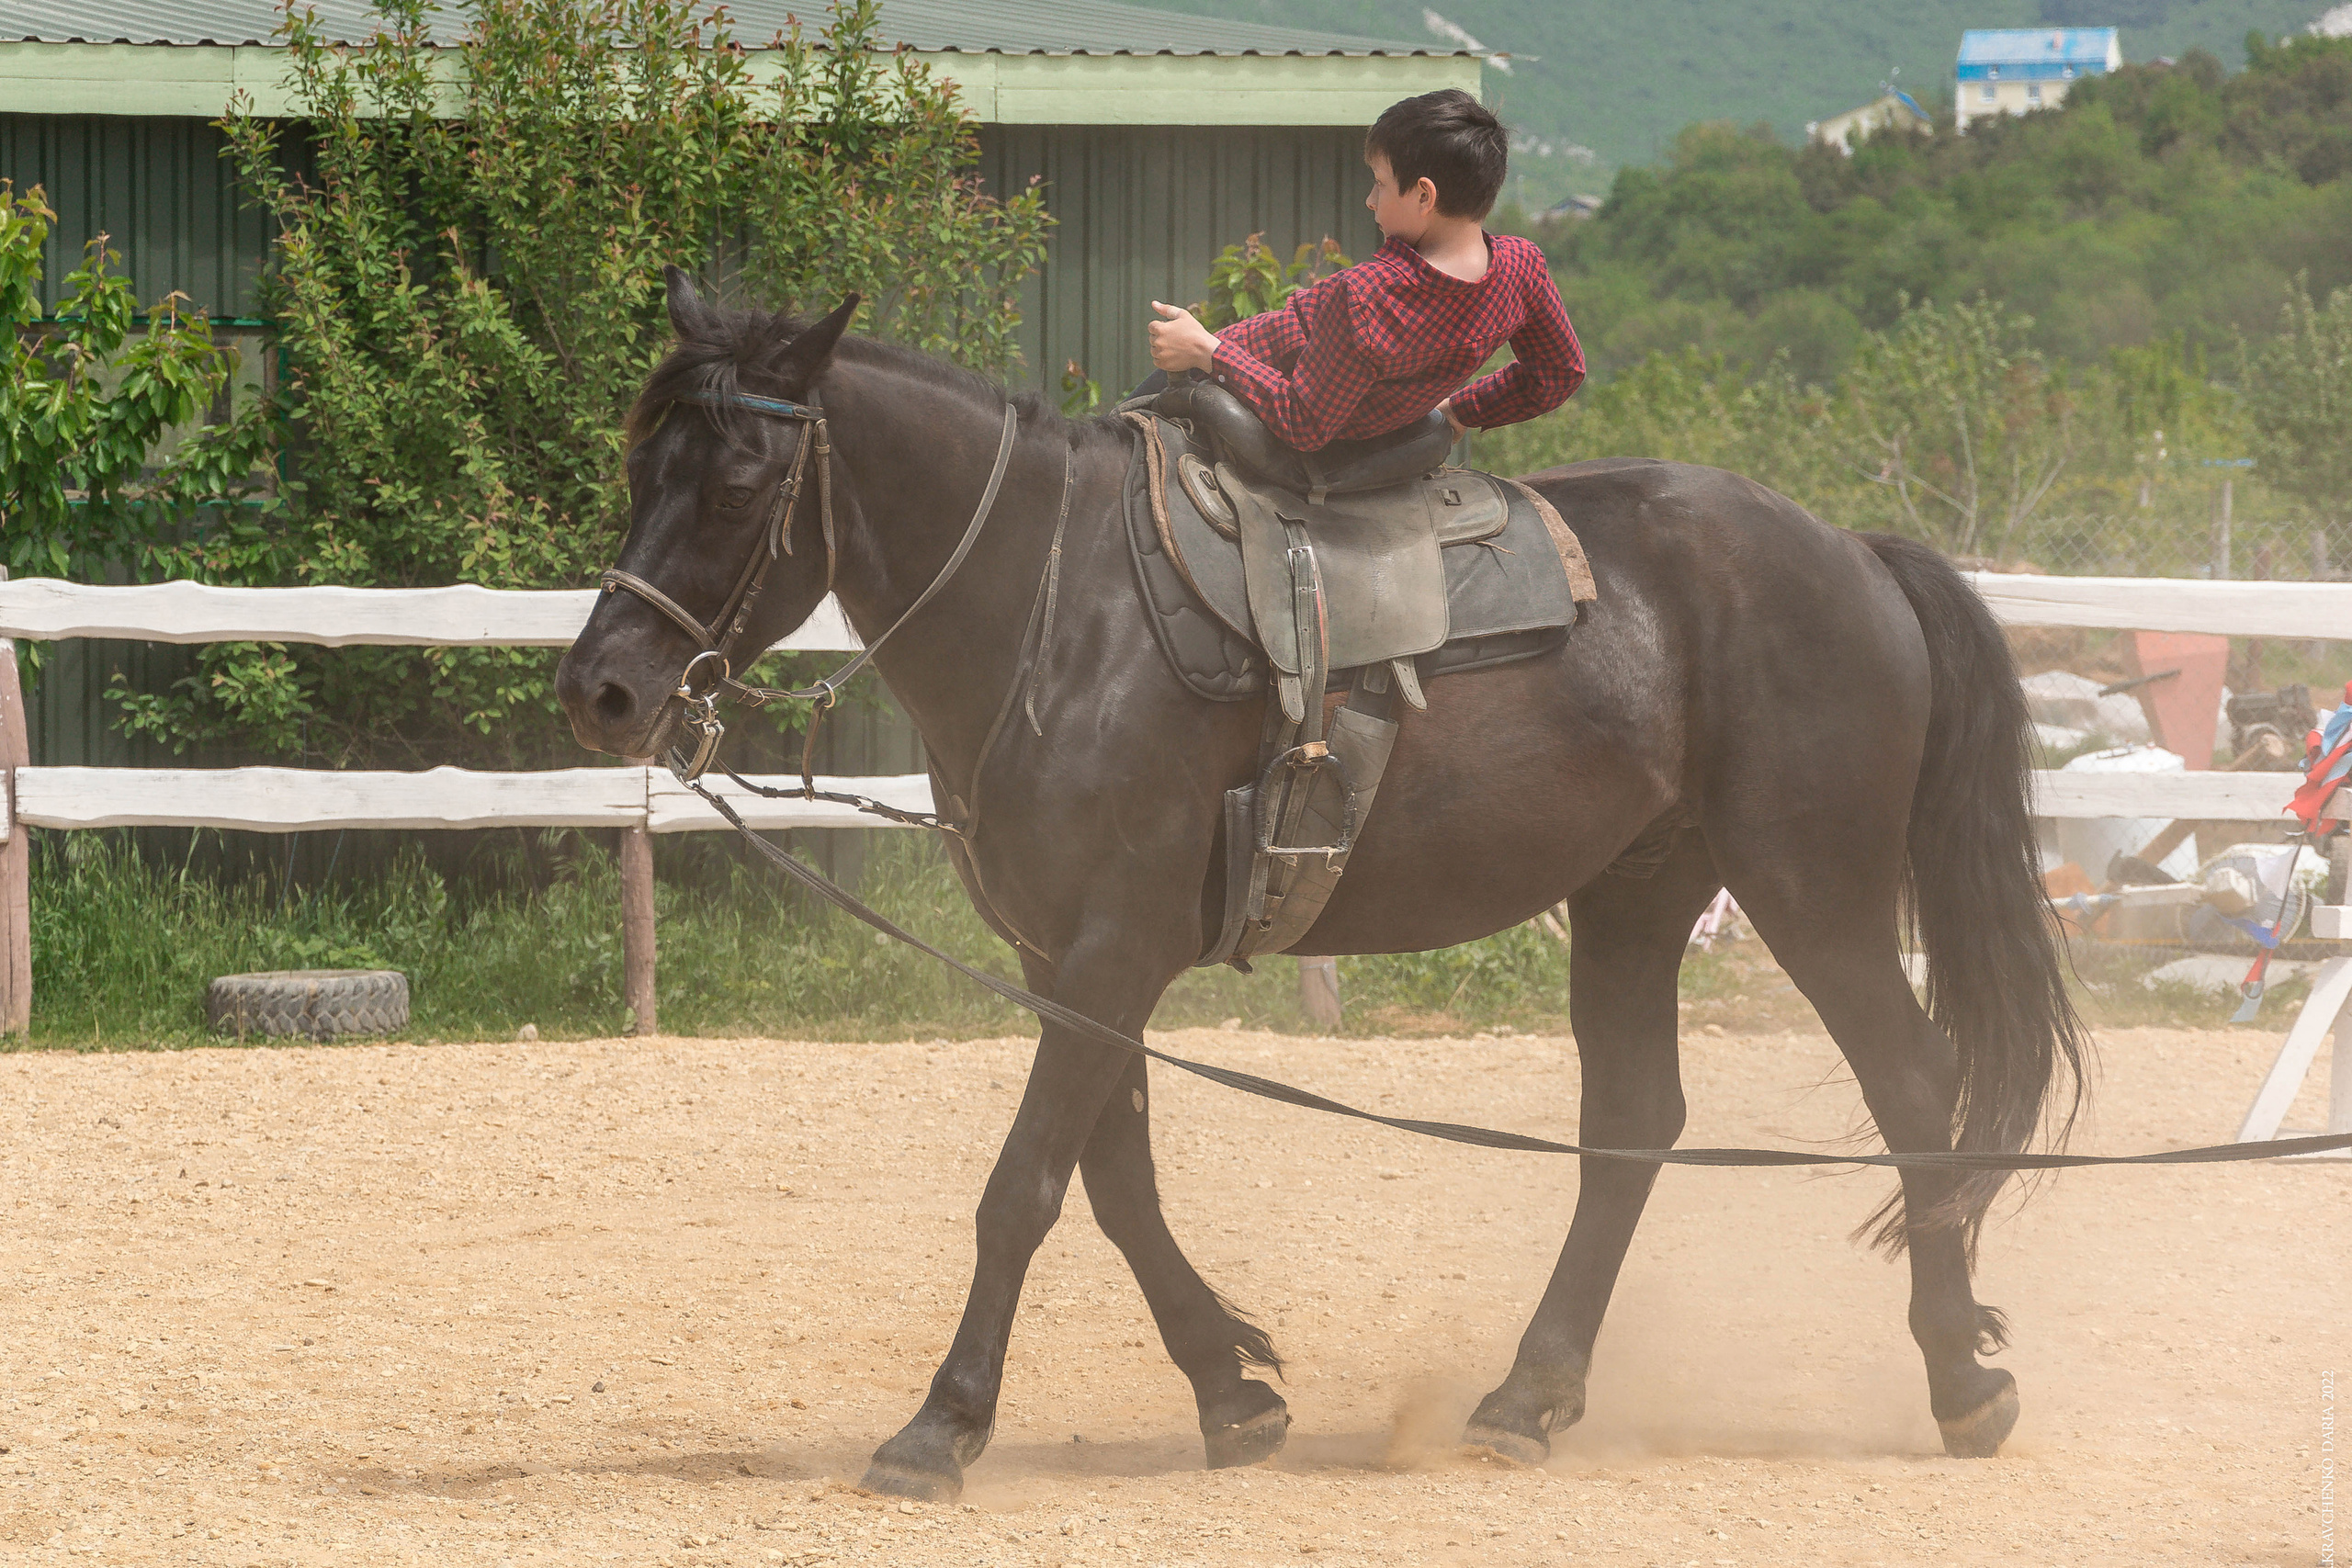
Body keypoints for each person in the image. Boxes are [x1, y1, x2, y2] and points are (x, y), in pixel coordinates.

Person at [1144, 88, 1584, 454]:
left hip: (1227, 384)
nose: (1371, 200)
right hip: (1356, 432)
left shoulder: (1366, 296)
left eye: (1380, 183)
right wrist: (1461, 410)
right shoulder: (1521, 268)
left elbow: (1304, 422)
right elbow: (1560, 372)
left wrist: (1206, 350)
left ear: (1424, 196)